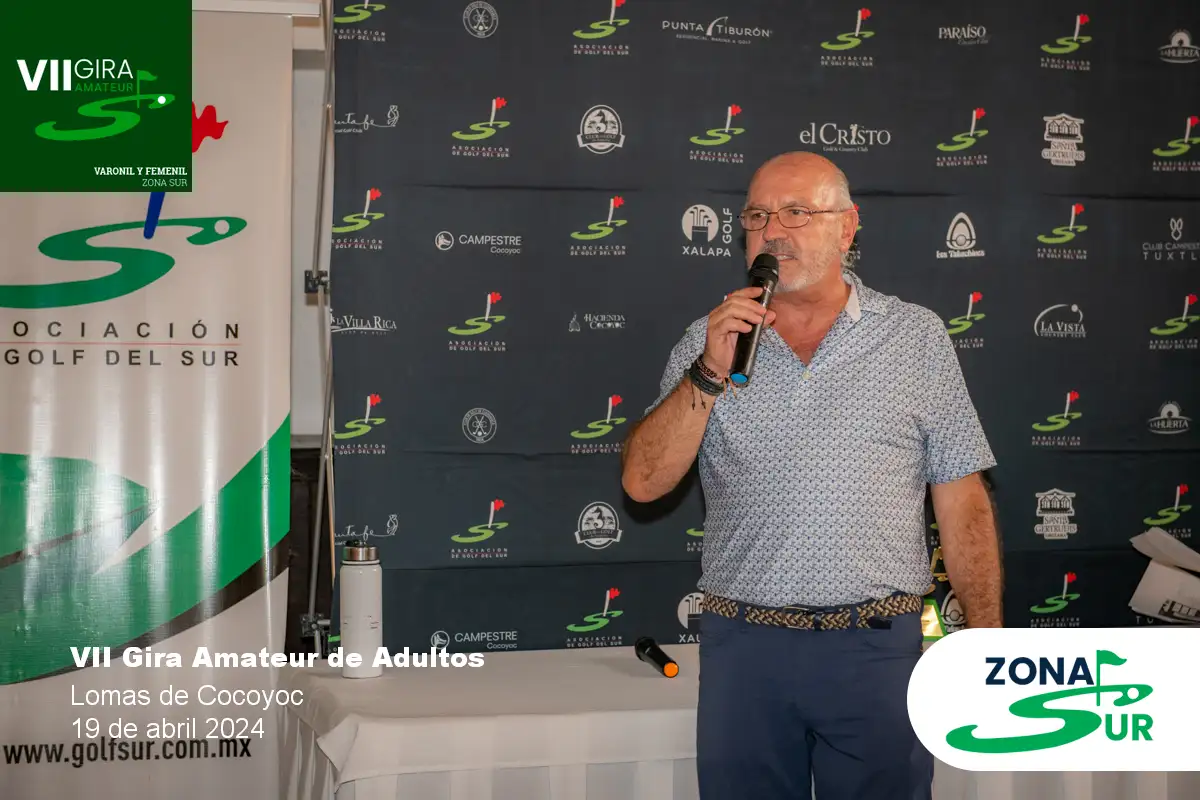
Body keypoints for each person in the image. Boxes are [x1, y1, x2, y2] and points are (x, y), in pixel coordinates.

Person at [620, 152, 1002, 800]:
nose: (772, 231)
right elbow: (642, 484)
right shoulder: (707, 341)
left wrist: (987, 641)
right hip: (746, 650)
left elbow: (962, 497)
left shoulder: (915, 338)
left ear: (847, 227)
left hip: (877, 652)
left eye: (796, 212)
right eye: (757, 216)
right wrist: (708, 372)